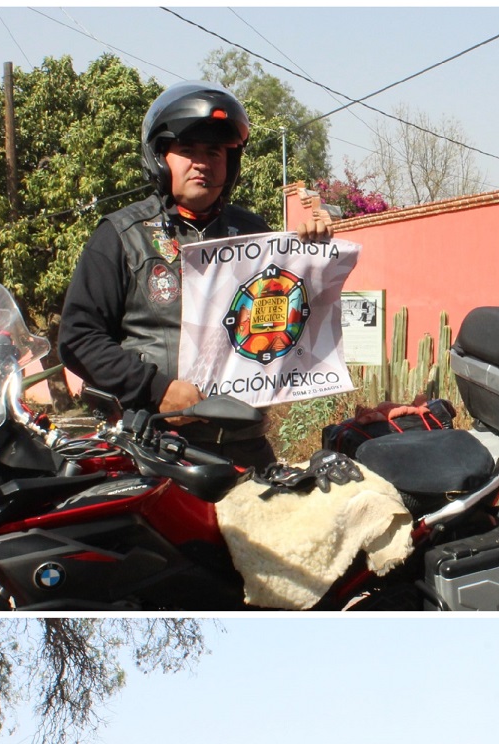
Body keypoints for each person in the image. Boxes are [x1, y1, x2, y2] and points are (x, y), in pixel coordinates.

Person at [58, 80, 335, 469]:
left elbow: (292, 319)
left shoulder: (255, 234)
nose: (202, 163)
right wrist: (157, 389)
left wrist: (312, 256)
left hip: (246, 447)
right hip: (155, 449)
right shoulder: (122, 236)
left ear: (230, 163)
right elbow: (79, 338)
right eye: (187, 150)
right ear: (160, 158)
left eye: (214, 152)